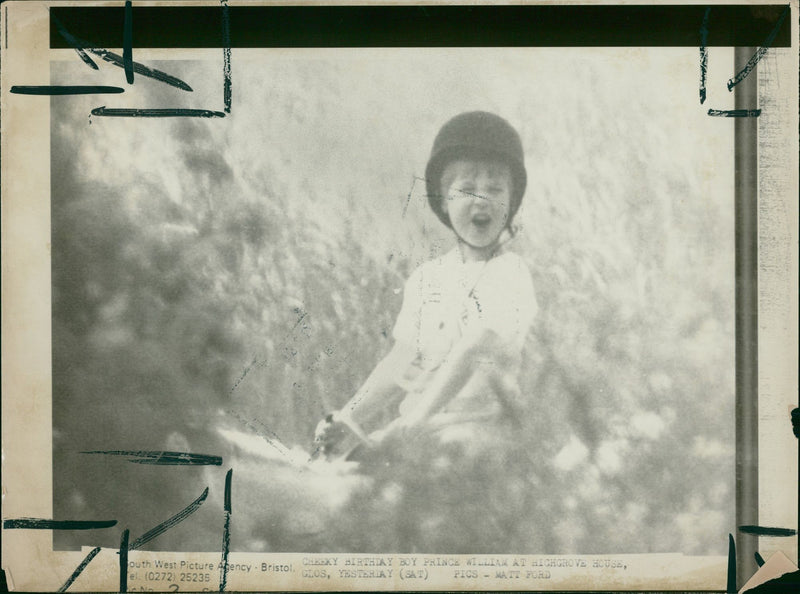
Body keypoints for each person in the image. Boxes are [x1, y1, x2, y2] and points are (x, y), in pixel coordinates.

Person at [314, 111, 537, 461]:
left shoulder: (510, 274)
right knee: (342, 470)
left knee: (405, 472)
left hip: (478, 432)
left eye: (495, 188)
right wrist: (348, 417)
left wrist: (412, 425)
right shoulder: (428, 280)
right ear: (444, 202)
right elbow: (401, 361)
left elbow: (473, 349)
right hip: (420, 433)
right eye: (466, 188)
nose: (481, 200)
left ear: (510, 204)